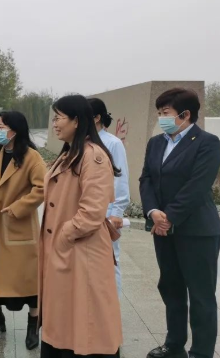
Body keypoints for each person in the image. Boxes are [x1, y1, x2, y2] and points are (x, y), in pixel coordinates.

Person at [140, 88, 220, 358]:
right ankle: (174, 345)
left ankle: (201, 352)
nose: (161, 118)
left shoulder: (207, 142)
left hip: (197, 231)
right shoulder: (156, 143)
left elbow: (197, 185)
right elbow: (146, 179)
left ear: (185, 114)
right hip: (163, 230)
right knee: (171, 288)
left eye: (165, 113)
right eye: (159, 113)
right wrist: (153, 212)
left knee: (201, 295)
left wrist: (169, 217)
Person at [40, 95, 123, 358]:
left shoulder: (93, 155)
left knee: (86, 324)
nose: (55, 124)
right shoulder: (71, 153)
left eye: (59, 118)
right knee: (66, 320)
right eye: (54, 118)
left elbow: (92, 212)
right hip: (68, 251)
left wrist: (64, 234)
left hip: (81, 250)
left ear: (76, 121)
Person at [0, 111, 46, 348]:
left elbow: (42, 188)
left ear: (15, 130)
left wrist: (17, 208)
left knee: (29, 282)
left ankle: (33, 326)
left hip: (20, 228)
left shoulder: (32, 157)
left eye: (1, 127)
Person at [88, 98, 130, 294]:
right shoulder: (81, 142)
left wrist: (117, 212)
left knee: (110, 260)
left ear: (97, 118)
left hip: (106, 213)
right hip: (85, 213)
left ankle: (113, 306)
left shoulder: (112, 143)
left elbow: (120, 180)